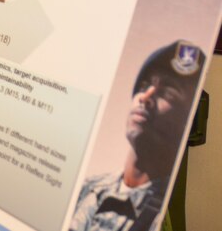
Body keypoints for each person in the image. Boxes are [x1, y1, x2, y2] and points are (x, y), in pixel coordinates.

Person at [68, 40, 204, 231]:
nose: (145, 97)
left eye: (168, 93)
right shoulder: (86, 189)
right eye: (144, 86)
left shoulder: (164, 218)